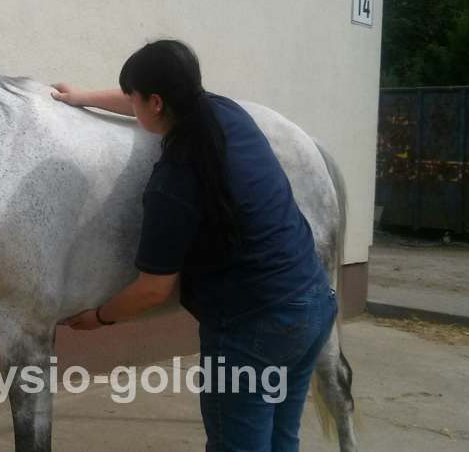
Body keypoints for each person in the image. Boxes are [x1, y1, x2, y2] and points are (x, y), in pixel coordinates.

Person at [52, 39, 337, 452]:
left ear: (154, 103)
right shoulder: (224, 111)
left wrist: (100, 316)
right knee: (281, 440)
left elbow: (154, 288)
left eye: (134, 99)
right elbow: (140, 97)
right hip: (311, 304)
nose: (129, 105)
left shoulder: (175, 179)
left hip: (253, 329)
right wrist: (81, 97)